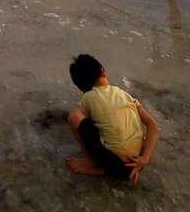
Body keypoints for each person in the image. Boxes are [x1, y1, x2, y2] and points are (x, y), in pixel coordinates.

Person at [66, 54, 160, 182]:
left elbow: (84, 124)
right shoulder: (124, 94)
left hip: (116, 166)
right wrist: (144, 159)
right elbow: (153, 125)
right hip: (137, 164)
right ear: (103, 71)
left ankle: (92, 164)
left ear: (81, 87)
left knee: (74, 117)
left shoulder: (88, 97)